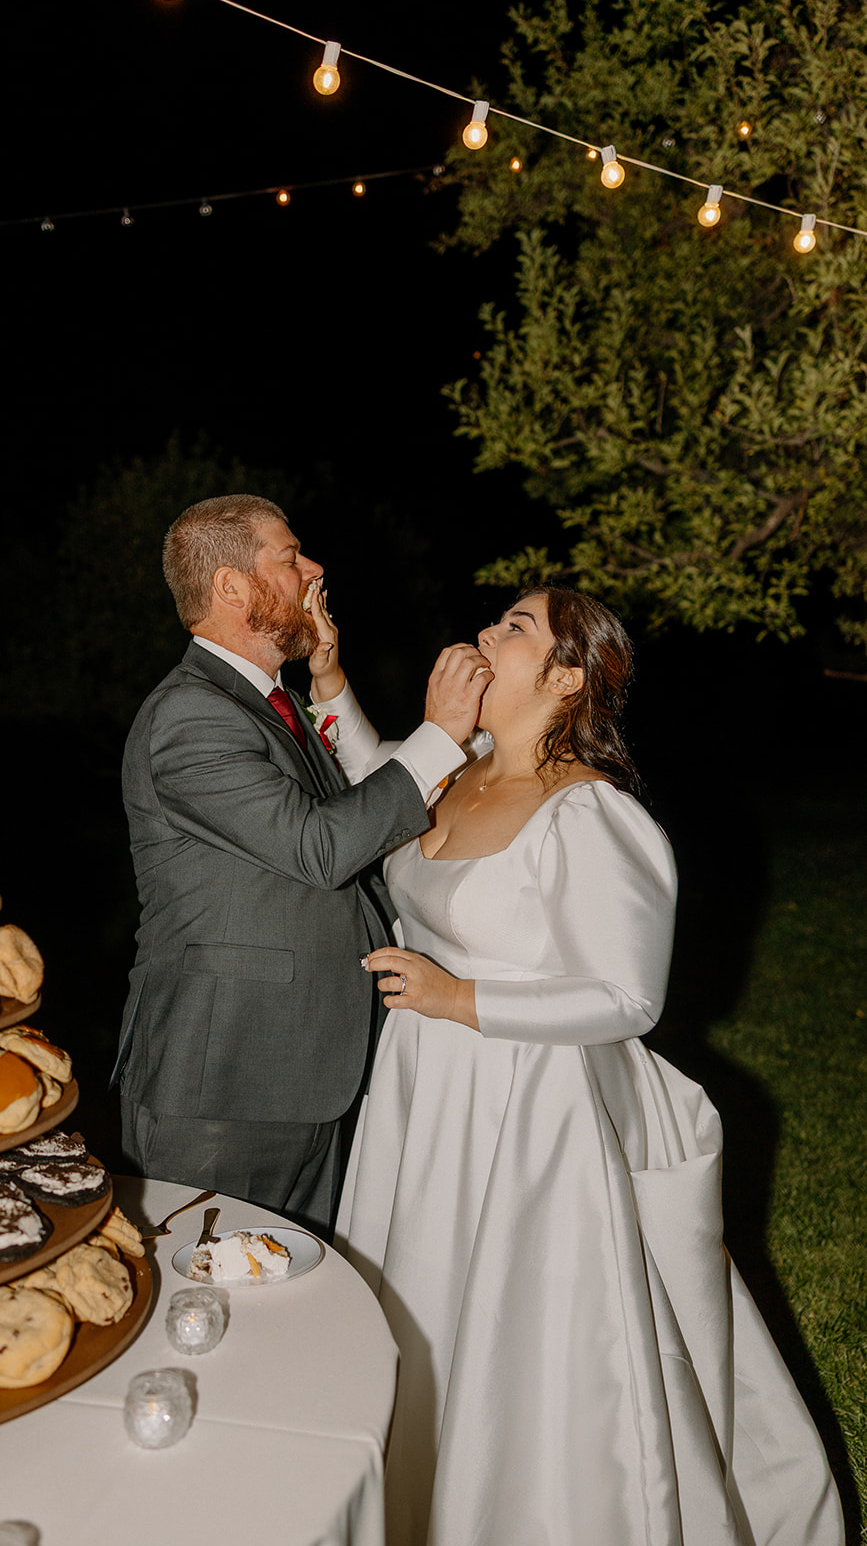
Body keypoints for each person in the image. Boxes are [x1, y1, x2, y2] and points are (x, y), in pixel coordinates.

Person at [326, 586, 843, 1546]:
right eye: (492, 620)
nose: (484, 632)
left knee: (524, 1337)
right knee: (419, 1294)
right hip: (422, 1094)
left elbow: (627, 997)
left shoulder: (593, 818)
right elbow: (377, 785)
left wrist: (457, 999)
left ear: (566, 679)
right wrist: (326, 677)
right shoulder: (461, 769)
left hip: (525, 1108)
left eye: (513, 628)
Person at [113, 493, 488, 1233]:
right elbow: (322, 847)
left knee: (296, 1299)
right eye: (289, 558)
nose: (312, 569)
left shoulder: (266, 702)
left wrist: (327, 678)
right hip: (225, 1082)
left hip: (298, 1066)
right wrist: (442, 733)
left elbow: (352, 808)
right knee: (210, 1299)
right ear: (230, 588)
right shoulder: (191, 716)